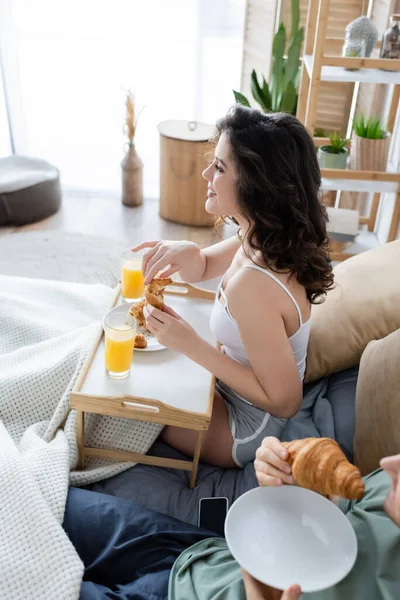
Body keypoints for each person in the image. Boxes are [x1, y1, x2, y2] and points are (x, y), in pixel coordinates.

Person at [133, 105, 334, 468]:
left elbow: (286, 402)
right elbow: (205, 267)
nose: (207, 173)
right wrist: (190, 253)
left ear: (257, 185)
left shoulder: (253, 286)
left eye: (221, 167)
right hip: (226, 387)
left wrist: (189, 344)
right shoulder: (262, 237)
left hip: (247, 426)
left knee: (123, 400)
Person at [64, 440, 400, 599]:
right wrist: (294, 480)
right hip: (204, 557)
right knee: (50, 504)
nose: (389, 463)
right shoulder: (392, 486)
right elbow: (335, 516)